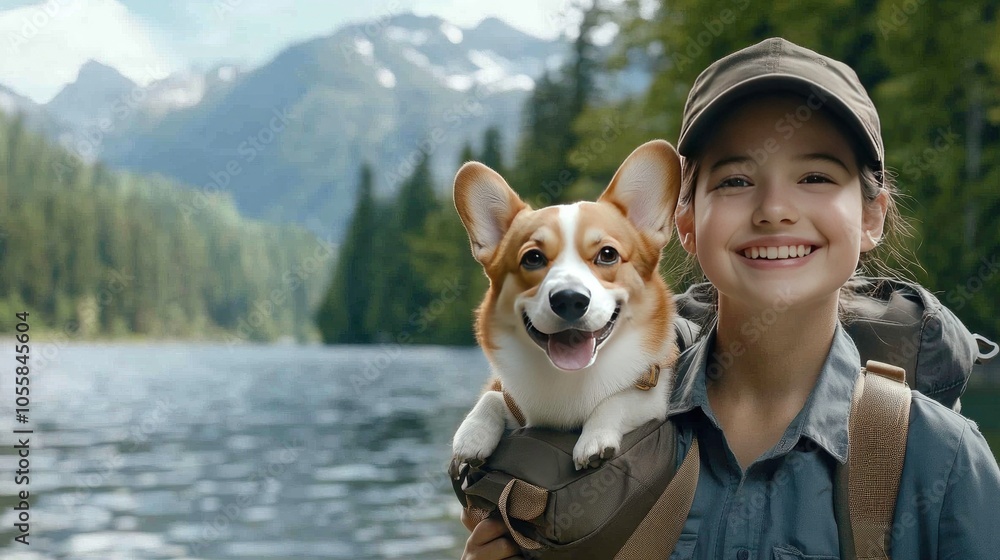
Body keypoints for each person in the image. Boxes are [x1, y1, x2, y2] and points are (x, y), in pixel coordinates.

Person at [460, 37, 1000, 559]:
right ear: (685, 222)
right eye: (736, 181)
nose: (774, 209)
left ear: (871, 216)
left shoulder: (945, 462)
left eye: (814, 175)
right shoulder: (578, 427)